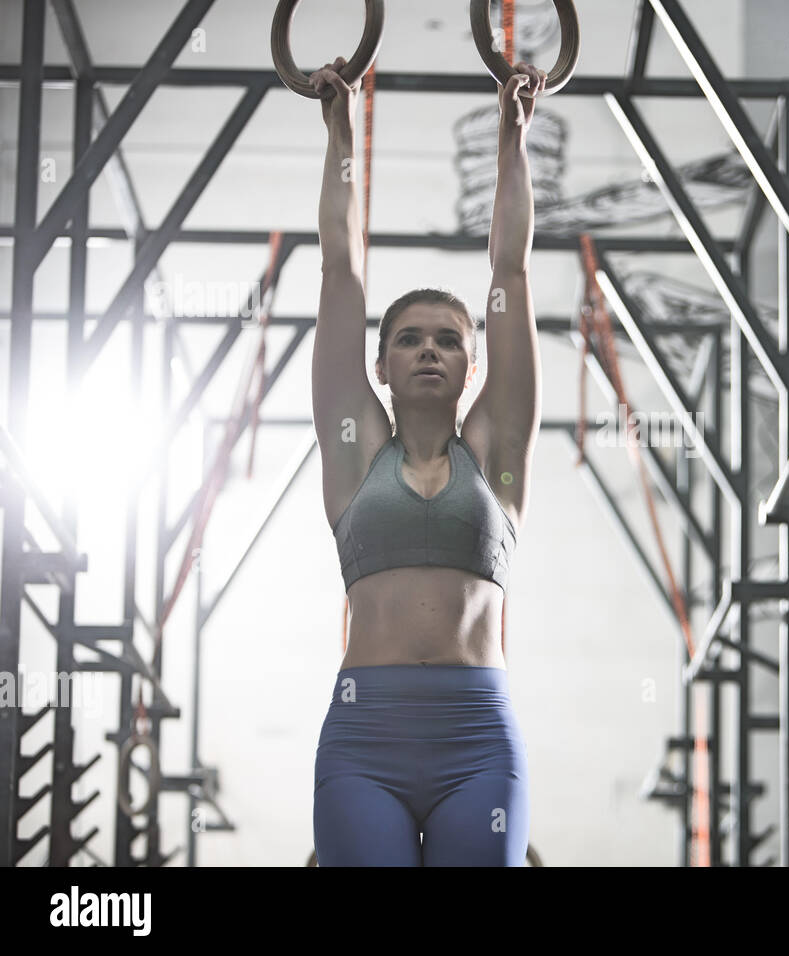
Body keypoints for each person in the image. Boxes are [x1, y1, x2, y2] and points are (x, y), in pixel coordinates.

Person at [308, 54, 545, 866]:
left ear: (472, 366)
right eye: (408, 339)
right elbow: (341, 270)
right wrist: (341, 132)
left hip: (478, 738)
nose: (430, 351)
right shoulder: (354, 455)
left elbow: (509, 269)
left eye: (450, 339)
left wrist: (514, 140)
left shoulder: (497, 458)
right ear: (381, 366)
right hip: (362, 737)